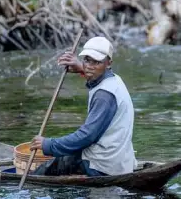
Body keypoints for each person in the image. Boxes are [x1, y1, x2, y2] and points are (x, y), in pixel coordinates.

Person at [29, 36, 137, 177]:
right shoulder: (115, 79)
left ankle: (31, 184)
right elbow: (94, 71)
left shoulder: (104, 96)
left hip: (102, 165)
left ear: (108, 63)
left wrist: (48, 144)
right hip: (120, 160)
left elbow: (86, 137)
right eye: (86, 60)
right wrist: (81, 68)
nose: (89, 66)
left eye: (96, 62)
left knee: (51, 167)